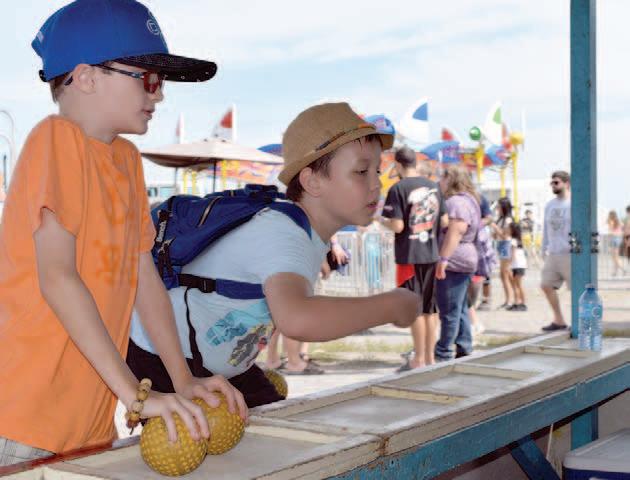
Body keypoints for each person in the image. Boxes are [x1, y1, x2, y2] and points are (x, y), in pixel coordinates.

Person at [0, 0, 247, 467]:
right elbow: (58, 278)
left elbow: (143, 279)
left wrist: (181, 377)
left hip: (87, 421)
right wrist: (135, 395)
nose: (159, 95)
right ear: (86, 77)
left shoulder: (127, 162)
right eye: (148, 79)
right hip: (24, 418)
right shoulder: (55, 140)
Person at [127, 102, 418, 406]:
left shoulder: (299, 229)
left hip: (213, 363)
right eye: (361, 171)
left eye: (377, 171)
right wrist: (391, 305)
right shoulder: (283, 232)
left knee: (276, 415)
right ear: (312, 181)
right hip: (165, 359)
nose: (376, 184)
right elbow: (296, 319)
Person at [379, 147, 446, 371]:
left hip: (410, 256)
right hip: (431, 254)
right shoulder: (434, 186)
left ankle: (418, 359)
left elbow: (397, 225)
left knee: (415, 309)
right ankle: (430, 358)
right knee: (430, 308)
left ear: (397, 165)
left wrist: (381, 220)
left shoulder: (398, 188)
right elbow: (445, 220)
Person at [434, 165, 481, 361]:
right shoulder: (470, 200)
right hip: (465, 258)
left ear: (451, 179)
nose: (439, 182)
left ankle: (443, 350)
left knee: (449, 310)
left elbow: (456, 231)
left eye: (442, 178)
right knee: (460, 306)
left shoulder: (455, 202)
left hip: (455, 260)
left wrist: (443, 259)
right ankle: (464, 344)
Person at [540, 171, 572, 331]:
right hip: (553, 253)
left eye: (556, 182)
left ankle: (581, 323)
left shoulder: (574, 203)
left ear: (567, 183)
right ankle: (559, 320)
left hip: (570, 253)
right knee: (546, 285)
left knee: (577, 290)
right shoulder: (549, 205)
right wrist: (543, 248)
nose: (553, 185)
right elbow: (546, 229)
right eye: (551, 183)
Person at [491, 197, 514, 309]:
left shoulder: (508, 220)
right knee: (507, 274)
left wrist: (494, 226)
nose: (497, 209)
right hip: (501, 246)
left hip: (506, 246)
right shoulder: (500, 219)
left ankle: (509, 300)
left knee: (504, 274)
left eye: (499, 207)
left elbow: (505, 236)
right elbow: (496, 235)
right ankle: (511, 299)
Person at [508, 223, 527, 311]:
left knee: (517, 285)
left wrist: (509, 265)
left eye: (509, 228)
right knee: (518, 285)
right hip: (520, 265)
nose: (508, 230)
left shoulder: (513, 241)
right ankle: (519, 303)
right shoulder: (518, 241)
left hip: (517, 265)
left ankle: (520, 303)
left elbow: (513, 254)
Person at [607, 210, 625, 276]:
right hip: (619, 239)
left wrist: (609, 234)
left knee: (614, 257)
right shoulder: (619, 221)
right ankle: (615, 272)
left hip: (613, 238)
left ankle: (623, 269)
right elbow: (622, 228)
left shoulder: (611, 221)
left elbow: (610, 231)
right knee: (616, 257)